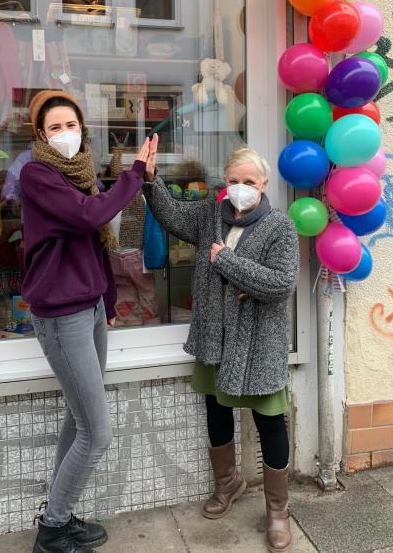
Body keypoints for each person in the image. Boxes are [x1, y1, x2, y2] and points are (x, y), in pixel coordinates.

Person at [143, 145, 299, 553]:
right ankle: (227, 483)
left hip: (258, 346)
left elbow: (281, 285)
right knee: (217, 410)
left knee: (270, 422)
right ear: (224, 183)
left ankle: (278, 509)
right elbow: (172, 214)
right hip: (215, 337)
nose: (241, 188)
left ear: (264, 184)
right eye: (234, 181)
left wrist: (227, 262)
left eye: (249, 182)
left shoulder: (280, 227)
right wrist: (149, 179)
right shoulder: (211, 215)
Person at [20, 89, 157, 553]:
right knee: (96, 432)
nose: (65, 134)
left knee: (78, 422)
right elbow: (90, 217)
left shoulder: (79, 175)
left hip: (90, 307)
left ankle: (62, 514)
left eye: (71, 125)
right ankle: (53, 531)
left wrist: (110, 298)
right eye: (55, 127)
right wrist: (134, 175)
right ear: (41, 134)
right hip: (62, 315)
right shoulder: (37, 175)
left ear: (83, 130)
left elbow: (95, 245)